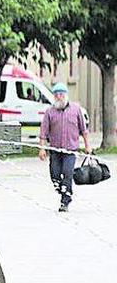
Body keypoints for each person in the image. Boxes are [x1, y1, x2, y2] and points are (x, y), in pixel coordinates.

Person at [38, 82, 92, 212]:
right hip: (55, 150)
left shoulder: (76, 110)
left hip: (70, 150)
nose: (59, 97)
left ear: (66, 95)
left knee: (67, 174)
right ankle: (63, 190)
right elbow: (43, 132)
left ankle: (65, 201)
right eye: (56, 94)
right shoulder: (49, 112)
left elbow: (84, 130)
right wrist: (42, 148)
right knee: (55, 176)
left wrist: (87, 146)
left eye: (61, 94)